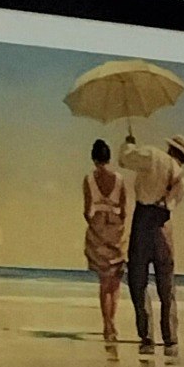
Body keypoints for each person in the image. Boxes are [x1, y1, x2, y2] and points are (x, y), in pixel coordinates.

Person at [120, 133, 184, 353]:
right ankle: (170, 338)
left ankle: (147, 337)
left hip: (142, 221)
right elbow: (171, 204)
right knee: (166, 284)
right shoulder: (182, 181)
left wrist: (129, 143)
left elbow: (125, 159)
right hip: (164, 227)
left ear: (170, 148)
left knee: (138, 281)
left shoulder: (152, 155)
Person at [80, 138, 129, 343]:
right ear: (108, 157)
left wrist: (95, 223)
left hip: (98, 228)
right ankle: (112, 322)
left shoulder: (89, 179)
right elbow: (124, 211)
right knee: (115, 282)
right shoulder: (119, 179)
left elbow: (87, 210)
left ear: (93, 158)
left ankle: (106, 324)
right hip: (115, 229)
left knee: (103, 281)